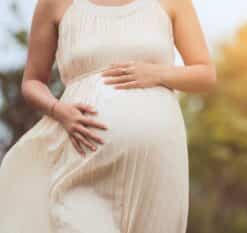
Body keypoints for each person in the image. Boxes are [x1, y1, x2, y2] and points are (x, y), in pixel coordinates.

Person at [0, 0, 216, 232]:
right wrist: (59, 110)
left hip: (158, 166)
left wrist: (158, 73)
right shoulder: (55, 4)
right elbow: (32, 81)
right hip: (83, 161)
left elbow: (205, 74)